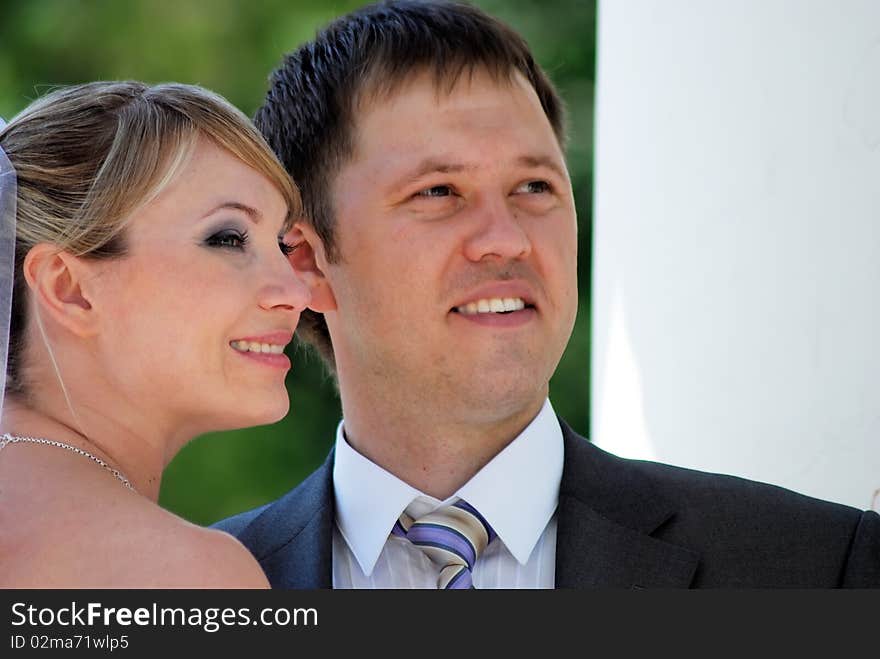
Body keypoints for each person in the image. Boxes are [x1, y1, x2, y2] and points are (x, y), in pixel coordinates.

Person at [216, 0, 880, 588]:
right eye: (438, 192)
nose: (506, 239)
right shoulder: (184, 592)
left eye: (534, 187)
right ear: (306, 260)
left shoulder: (819, 566)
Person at [0, 81, 310, 587]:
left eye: (280, 243)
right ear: (70, 289)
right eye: (228, 238)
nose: (294, 292)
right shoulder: (183, 574)